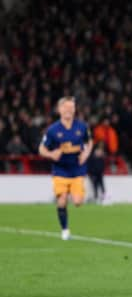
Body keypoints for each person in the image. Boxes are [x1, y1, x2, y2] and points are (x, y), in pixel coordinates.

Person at [38, 96, 93, 240]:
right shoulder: (53, 130)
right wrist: (51, 154)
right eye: (66, 107)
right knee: (62, 201)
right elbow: (41, 149)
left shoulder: (82, 127)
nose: (69, 110)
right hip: (60, 170)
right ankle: (65, 230)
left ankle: (69, 191)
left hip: (77, 170)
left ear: (74, 110)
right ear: (59, 109)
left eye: (71, 107)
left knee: (78, 202)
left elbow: (90, 142)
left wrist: (86, 154)